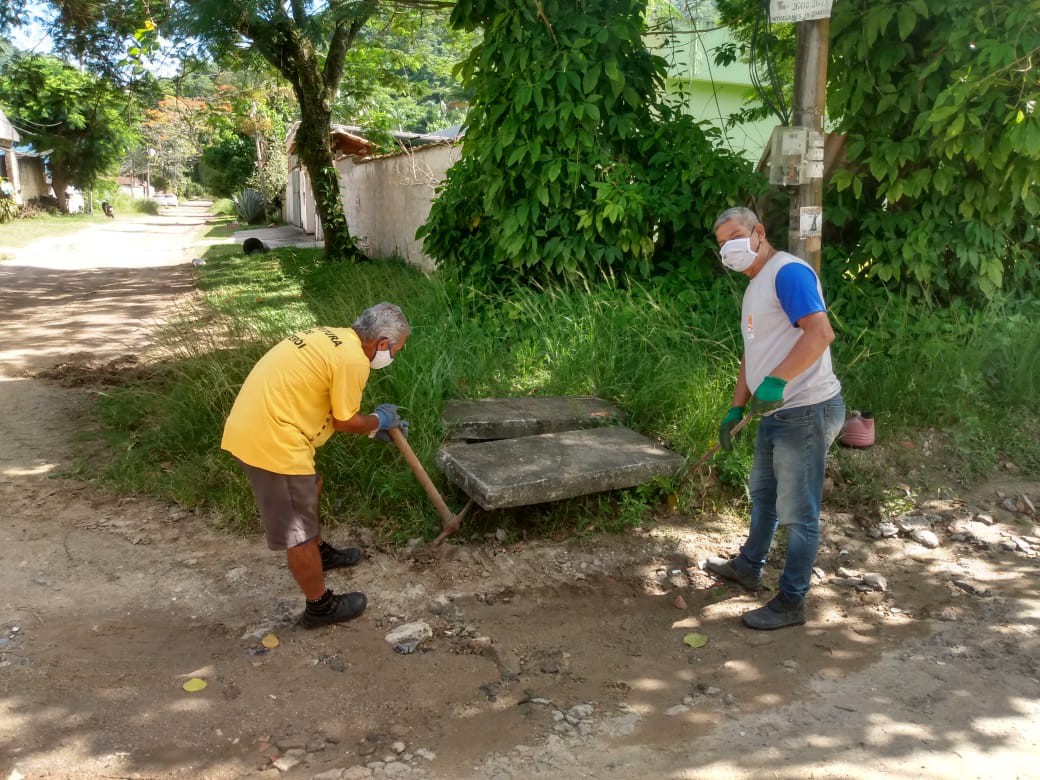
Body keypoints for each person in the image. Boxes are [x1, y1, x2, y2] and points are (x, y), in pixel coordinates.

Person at [221, 302, 411, 628]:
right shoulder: (354, 360)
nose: (392, 356)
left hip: (261, 424)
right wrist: (379, 420)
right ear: (382, 343)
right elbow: (345, 420)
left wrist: (373, 427)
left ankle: (319, 553)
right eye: (395, 349)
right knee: (298, 531)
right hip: (271, 437)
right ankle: (320, 607)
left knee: (312, 484)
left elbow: (331, 407)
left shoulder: (335, 338)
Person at [705, 207, 845, 630]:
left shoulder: (789, 273)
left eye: (735, 236)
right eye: (721, 243)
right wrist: (737, 405)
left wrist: (778, 382)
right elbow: (754, 352)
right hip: (778, 410)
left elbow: (820, 333)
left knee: (798, 511)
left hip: (805, 408)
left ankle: (791, 601)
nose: (728, 248)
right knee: (763, 493)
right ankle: (749, 567)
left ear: (759, 233)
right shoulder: (755, 286)